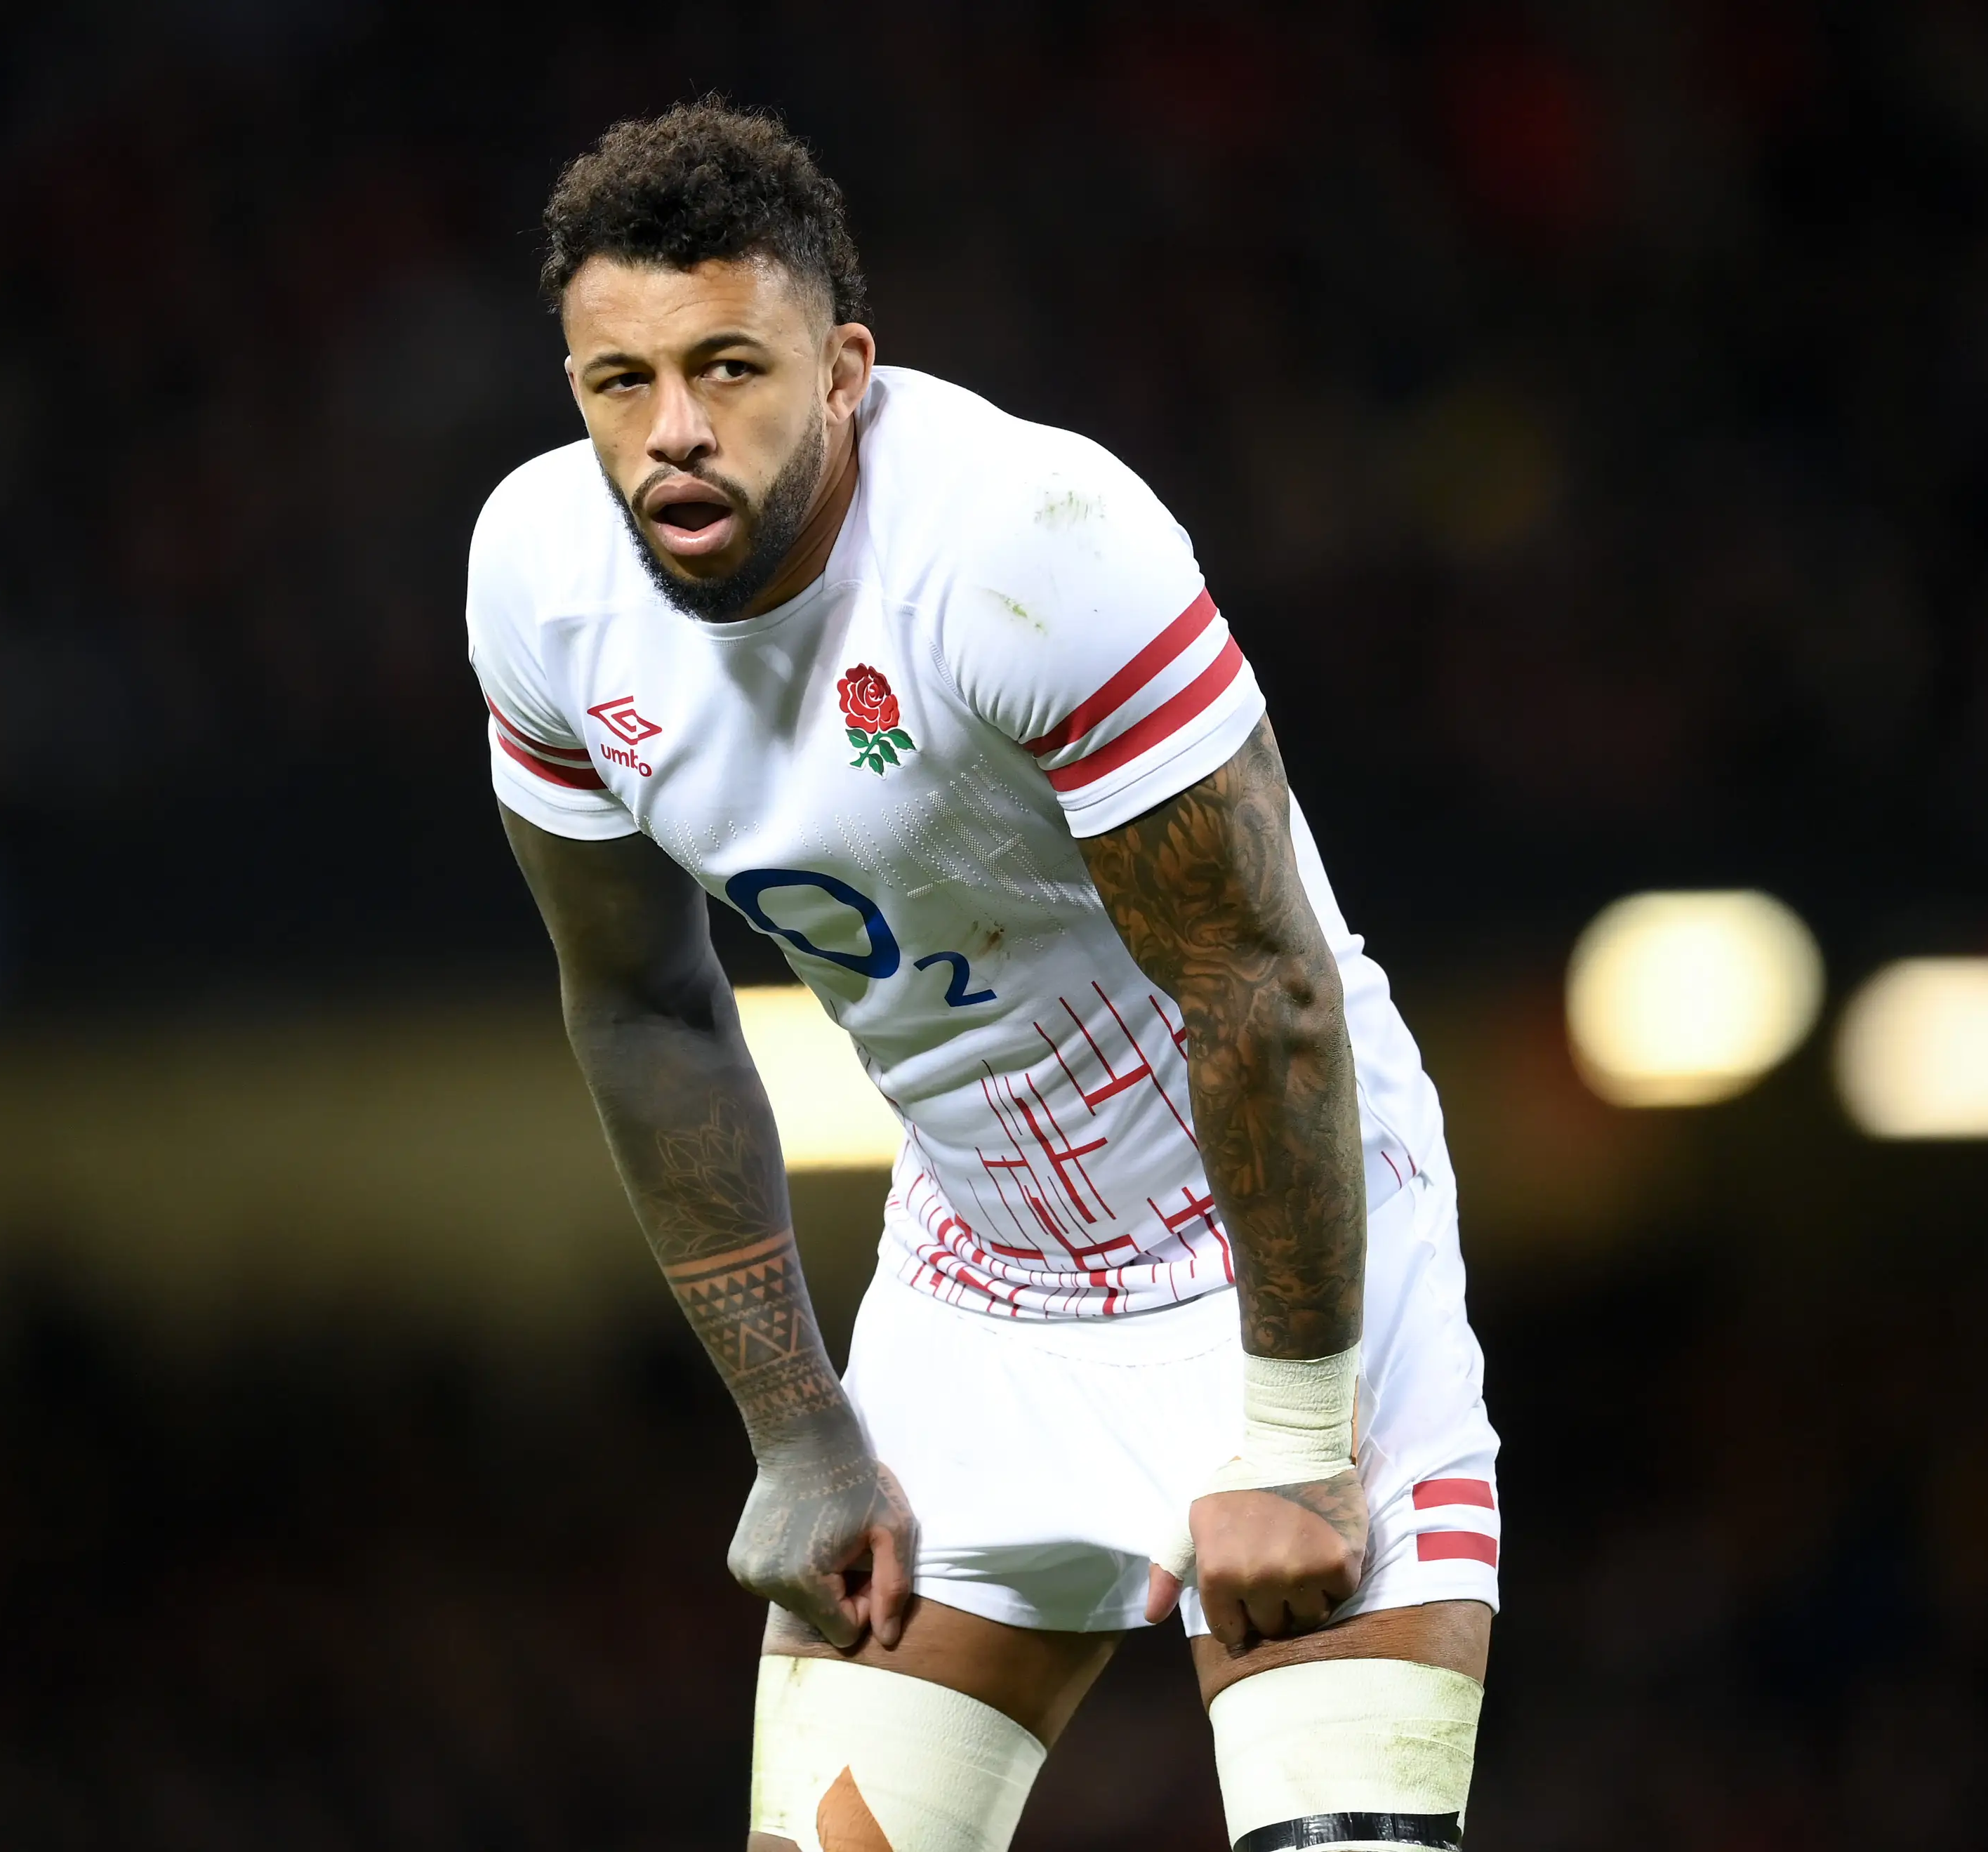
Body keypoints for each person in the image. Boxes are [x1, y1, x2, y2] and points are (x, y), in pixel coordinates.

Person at [472, 101, 1502, 1852]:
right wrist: (799, 1425)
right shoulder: (541, 585)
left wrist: (1294, 1429)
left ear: (846, 369)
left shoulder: (1026, 542)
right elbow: (643, 1002)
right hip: (981, 1273)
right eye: (619, 383)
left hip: (1282, 1247)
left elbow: (1263, 986)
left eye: (730, 368)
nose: (675, 432)